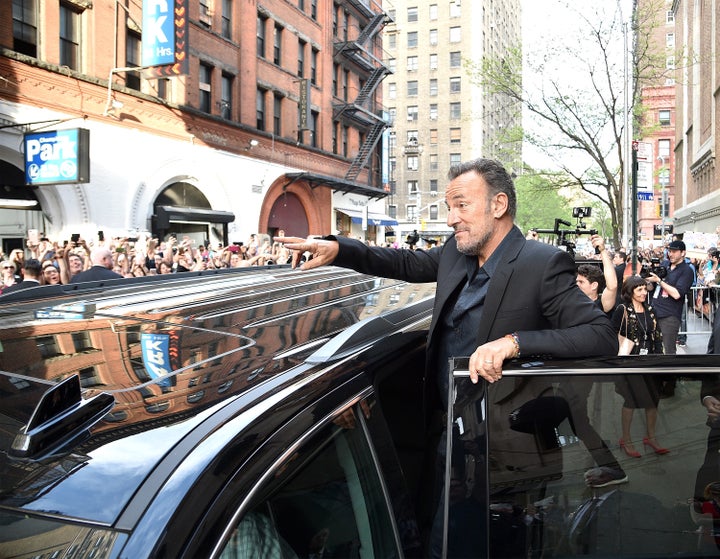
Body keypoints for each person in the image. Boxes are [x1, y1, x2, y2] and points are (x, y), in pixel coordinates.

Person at [276, 158, 618, 556]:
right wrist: (339, 248)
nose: (451, 218)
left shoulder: (541, 264)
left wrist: (513, 343)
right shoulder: (456, 256)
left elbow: (600, 336)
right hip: (444, 439)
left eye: (461, 205)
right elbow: (402, 262)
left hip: (505, 451)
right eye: (448, 206)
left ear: (498, 205)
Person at [612, 275, 667, 457]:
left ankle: (651, 437)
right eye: (640, 289)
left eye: (645, 289)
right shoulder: (622, 309)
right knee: (631, 401)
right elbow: (612, 334)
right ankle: (625, 439)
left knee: (653, 400)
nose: (644, 292)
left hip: (650, 363)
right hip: (631, 363)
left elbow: (657, 335)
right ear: (630, 292)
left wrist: (660, 360)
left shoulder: (650, 309)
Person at [645, 240, 694, 355]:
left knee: (668, 350)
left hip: (669, 315)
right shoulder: (665, 264)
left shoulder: (686, 271)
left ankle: (671, 373)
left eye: (674, 251)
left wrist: (659, 281)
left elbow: (677, 294)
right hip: (654, 311)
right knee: (652, 347)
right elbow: (652, 288)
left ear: (683, 253)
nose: (670, 254)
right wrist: (646, 280)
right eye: (670, 251)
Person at [576, 235, 617, 315]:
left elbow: (612, 286)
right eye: (577, 281)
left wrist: (602, 250)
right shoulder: (573, 300)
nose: (577, 284)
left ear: (594, 285)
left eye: (581, 282)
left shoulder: (602, 304)